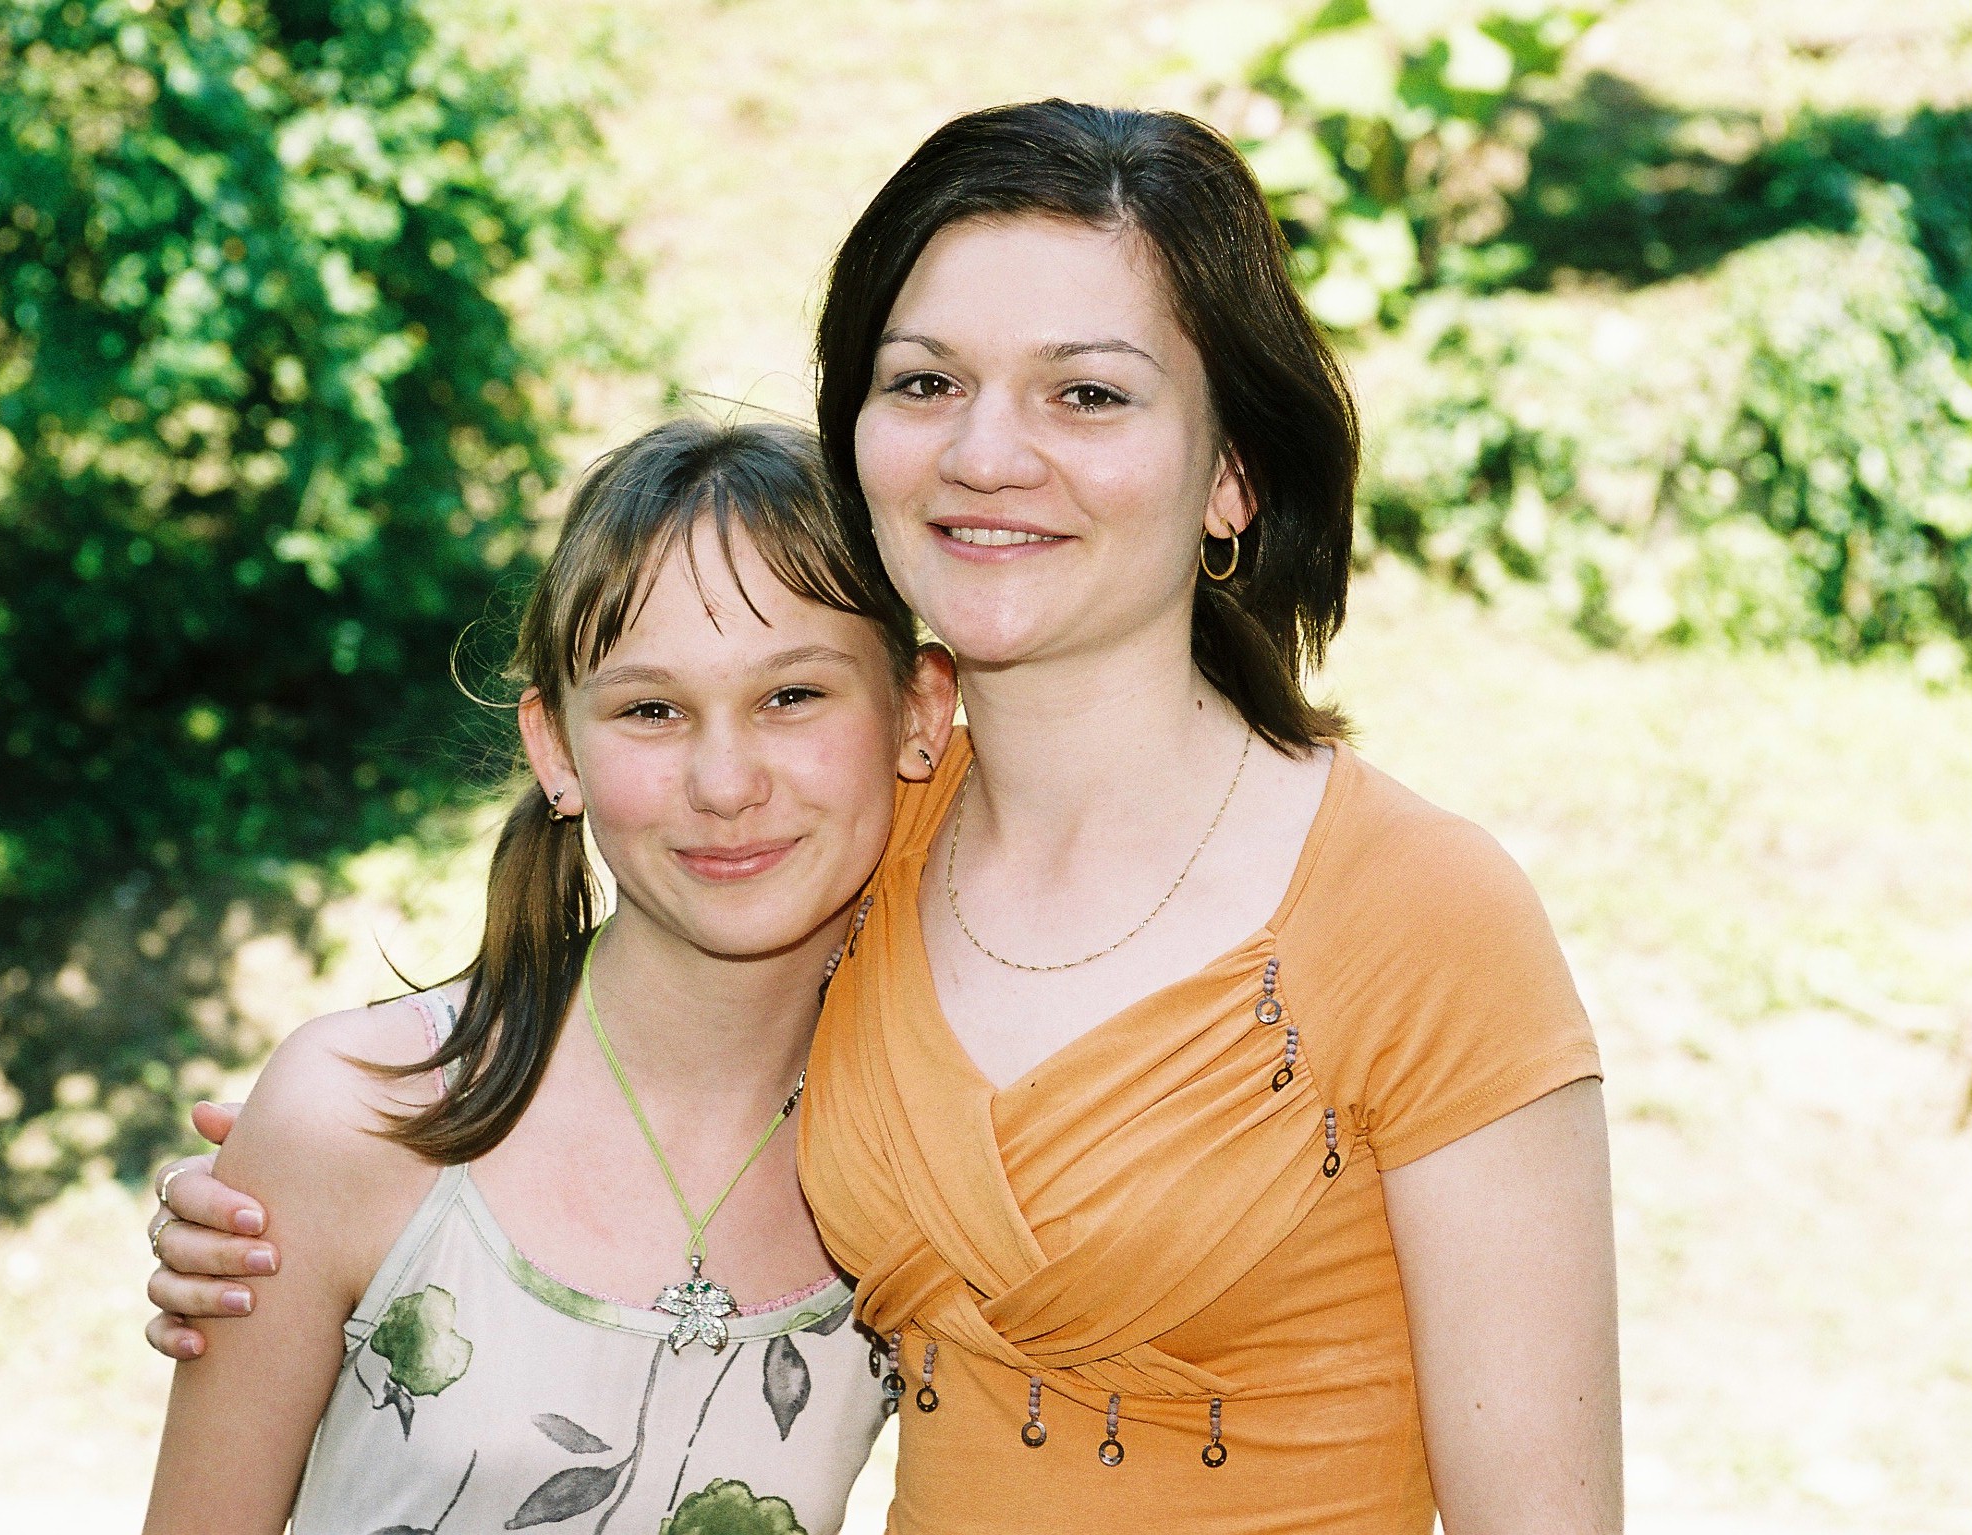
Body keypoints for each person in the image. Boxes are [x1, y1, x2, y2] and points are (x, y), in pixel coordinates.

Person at [145, 101, 1622, 1535]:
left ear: (1230, 473)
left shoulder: (1417, 913)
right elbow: (617, 1078)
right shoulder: (862, 835)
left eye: (1087, 393)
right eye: (923, 383)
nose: (986, 453)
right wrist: (305, 1185)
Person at [141, 418, 957, 1534]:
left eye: (792, 696)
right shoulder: (361, 1116)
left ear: (918, 711)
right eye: (651, 709)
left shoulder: (935, 1174)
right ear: (556, 750)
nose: (725, 782)